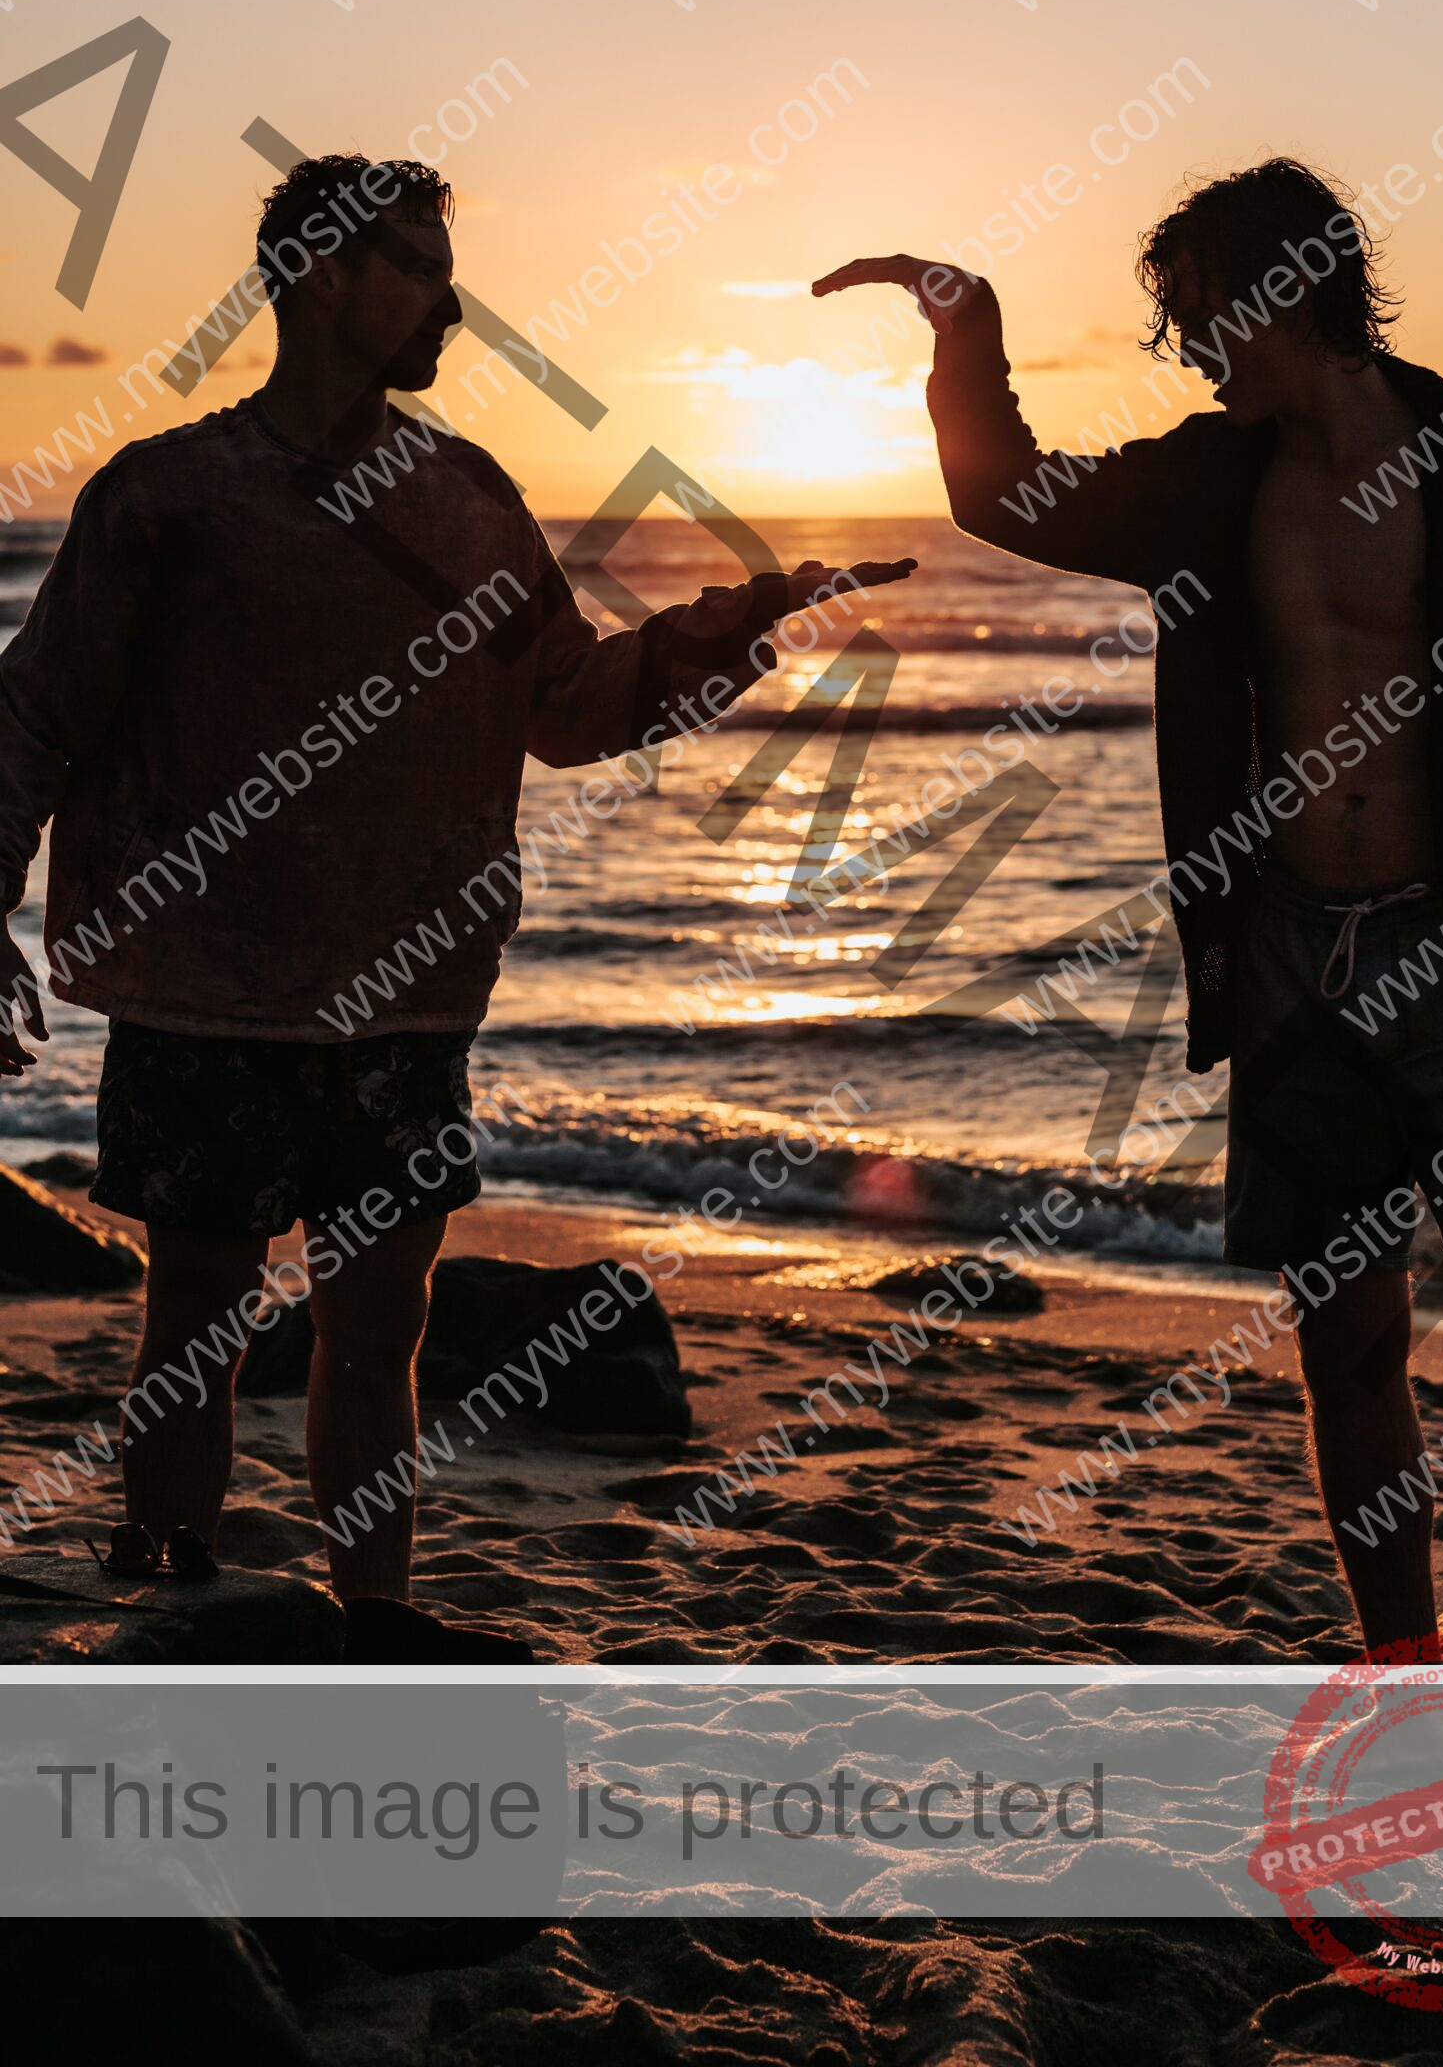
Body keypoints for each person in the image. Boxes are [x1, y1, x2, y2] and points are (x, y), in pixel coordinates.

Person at [815, 166, 1443, 1854]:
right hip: (1298, 959)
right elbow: (1008, 499)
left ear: (1278, 295)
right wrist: (964, 330)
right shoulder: (1211, 483)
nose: (1191, 351)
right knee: (1348, 1351)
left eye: (1202, 314)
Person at [0, 152, 913, 1661]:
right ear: (317, 279)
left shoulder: (473, 497)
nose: (450, 298)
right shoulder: (167, 496)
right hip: (203, 996)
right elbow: (35, 716)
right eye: (415, 266)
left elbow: (561, 702)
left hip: (409, 1000)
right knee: (193, 1337)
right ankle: (167, 1596)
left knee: (383, 1341)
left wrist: (725, 625)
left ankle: (377, 1630)